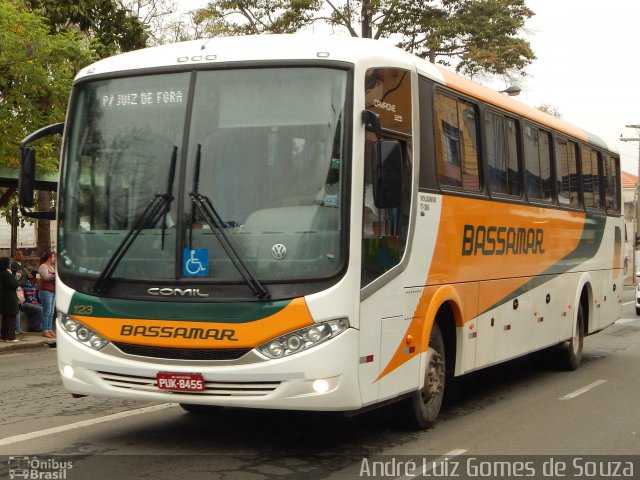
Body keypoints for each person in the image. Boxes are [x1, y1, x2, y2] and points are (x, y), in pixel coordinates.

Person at [0, 257, 20, 343]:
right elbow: (14, 284)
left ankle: (4, 336)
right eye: (9, 263)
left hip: (4, 298)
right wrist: (16, 277)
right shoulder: (6, 274)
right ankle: (10, 336)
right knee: (10, 318)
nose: (10, 264)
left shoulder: (2, 273)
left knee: (5, 318)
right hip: (9, 299)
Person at [38, 251, 56, 338]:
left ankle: (49, 329)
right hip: (46, 291)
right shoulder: (43, 266)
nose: (54, 259)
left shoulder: (52, 267)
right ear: (49, 257)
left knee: (51, 312)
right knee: (47, 311)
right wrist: (55, 275)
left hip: (53, 291)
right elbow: (46, 277)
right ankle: (45, 330)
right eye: (53, 257)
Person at [11, 249, 28, 335]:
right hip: (17, 288)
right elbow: (14, 276)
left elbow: (24, 274)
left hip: (21, 288)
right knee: (16, 307)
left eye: (21, 254)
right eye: (18, 254)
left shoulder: (23, 265)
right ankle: (16, 328)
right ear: (15, 256)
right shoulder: (13, 264)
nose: (20, 256)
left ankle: (18, 327)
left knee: (19, 306)